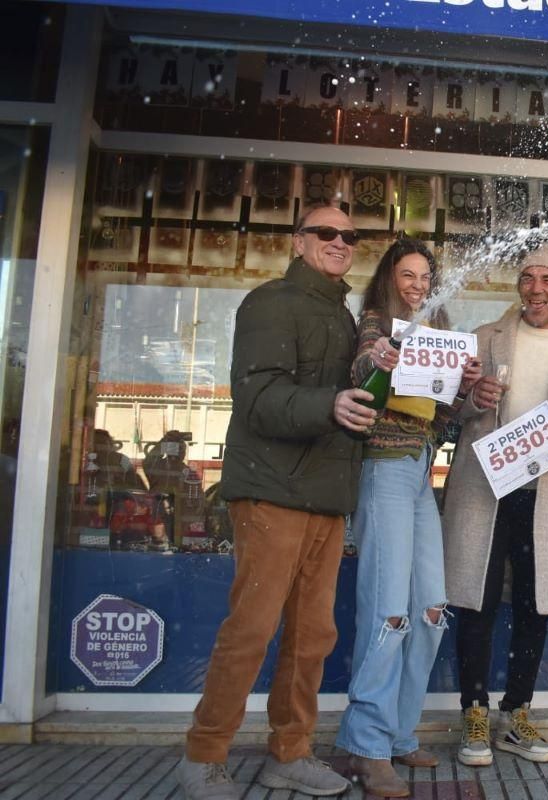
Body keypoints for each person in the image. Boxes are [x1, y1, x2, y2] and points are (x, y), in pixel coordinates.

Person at [176, 205, 375, 800]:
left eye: (349, 236)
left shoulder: (345, 317)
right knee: (253, 628)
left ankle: (290, 752)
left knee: (312, 636)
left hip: (325, 495)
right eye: (326, 233)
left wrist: (377, 375)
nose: (340, 242)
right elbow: (258, 397)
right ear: (299, 241)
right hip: (271, 490)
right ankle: (203, 754)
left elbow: (347, 399)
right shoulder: (271, 302)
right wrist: (331, 404)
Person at [442, 244, 548, 767]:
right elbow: (448, 410)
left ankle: (517, 713)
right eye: (527, 278)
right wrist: (473, 400)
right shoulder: (484, 338)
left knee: (536, 605)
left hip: (545, 493)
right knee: (476, 599)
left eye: (547, 280)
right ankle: (474, 712)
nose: (535, 289)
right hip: (483, 489)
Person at [335, 239, 481, 797]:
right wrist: (378, 363)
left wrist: (463, 386)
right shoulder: (376, 322)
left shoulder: (435, 329)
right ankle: (364, 747)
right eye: (409, 275)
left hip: (420, 471)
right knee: (388, 611)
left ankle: (396, 734)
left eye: (425, 276)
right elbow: (364, 364)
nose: (418, 284)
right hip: (383, 470)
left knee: (429, 610)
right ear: (390, 278)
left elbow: (441, 412)